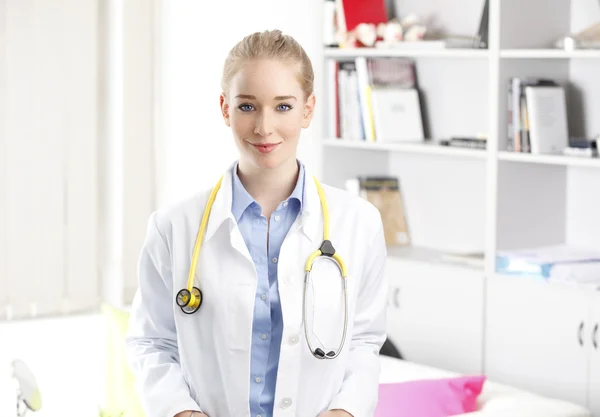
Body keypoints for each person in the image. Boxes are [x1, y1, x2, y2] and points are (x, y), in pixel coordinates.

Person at [125, 29, 388, 417]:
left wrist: (346, 411)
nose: (265, 128)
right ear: (225, 108)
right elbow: (150, 343)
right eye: (248, 106)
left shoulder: (359, 223)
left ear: (308, 109)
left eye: (283, 106)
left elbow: (365, 342)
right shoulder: (173, 228)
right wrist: (179, 411)